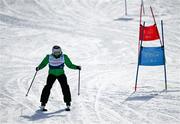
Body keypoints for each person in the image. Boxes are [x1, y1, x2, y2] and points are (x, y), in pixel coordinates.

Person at [36, 45, 81, 111]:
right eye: (55, 52)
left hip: (61, 74)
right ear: (52, 52)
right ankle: (43, 103)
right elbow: (43, 64)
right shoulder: (49, 57)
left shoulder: (64, 57)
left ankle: (68, 103)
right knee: (47, 87)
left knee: (65, 87)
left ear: (60, 51)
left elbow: (70, 65)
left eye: (58, 52)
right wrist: (39, 67)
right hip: (52, 74)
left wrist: (76, 67)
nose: (57, 53)